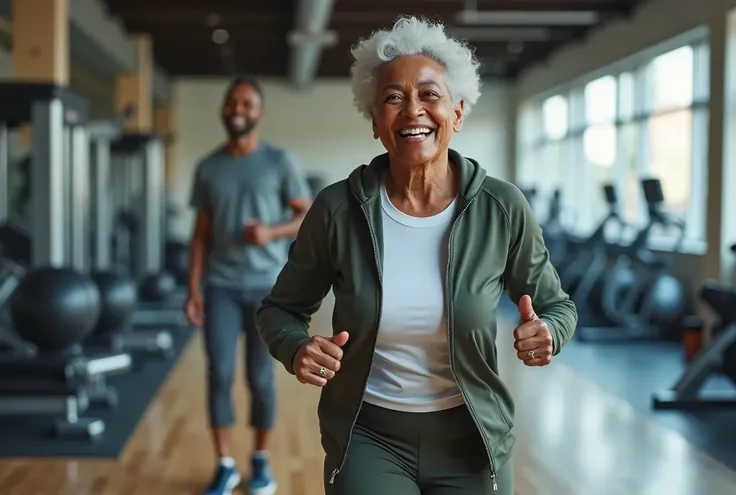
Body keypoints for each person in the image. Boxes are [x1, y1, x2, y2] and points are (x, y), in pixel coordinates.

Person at [257, 16, 578, 495]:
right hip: (368, 436)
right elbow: (279, 310)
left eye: (430, 94)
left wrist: (548, 332)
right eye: (393, 97)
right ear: (374, 120)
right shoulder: (337, 209)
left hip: (472, 440)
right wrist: (297, 347)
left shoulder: (502, 207)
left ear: (458, 112)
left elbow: (558, 306)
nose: (413, 111)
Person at [185, 74, 312, 495]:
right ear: (224, 109)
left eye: (247, 103)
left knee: (260, 379)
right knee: (219, 373)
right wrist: (193, 288)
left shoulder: (280, 162)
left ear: (259, 113)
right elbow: (200, 234)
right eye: (232, 102)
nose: (238, 109)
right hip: (220, 286)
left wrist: (271, 233)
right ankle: (224, 464)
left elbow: (305, 216)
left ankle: (259, 461)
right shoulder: (208, 166)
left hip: (266, 290)